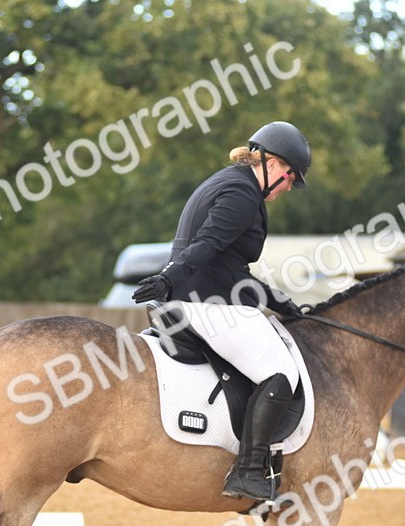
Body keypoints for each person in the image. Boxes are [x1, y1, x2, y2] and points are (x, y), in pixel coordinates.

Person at [132, 121, 310, 503]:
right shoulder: (242, 193)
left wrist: (276, 300)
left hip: (204, 294)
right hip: (202, 303)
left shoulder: (230, 182)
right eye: (290, 177)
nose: (288, 187)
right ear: (273, 164)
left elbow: (228, 267)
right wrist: (167, 277)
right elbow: (206, 244)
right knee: (281, 373)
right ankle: (247, 471)